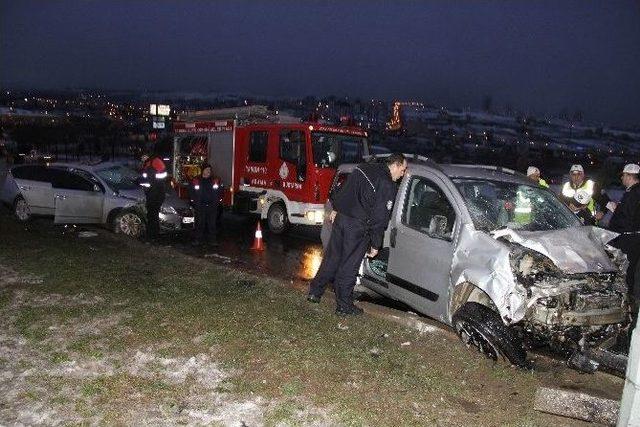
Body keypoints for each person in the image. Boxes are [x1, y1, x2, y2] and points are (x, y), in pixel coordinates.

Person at [307, 153, 408, 316]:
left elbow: (344, 189)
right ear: (395, 165)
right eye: (403, 170)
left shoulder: (363, 168)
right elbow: (380, 217)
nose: (403, 174)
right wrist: (376, 244)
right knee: (349, 266)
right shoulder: (387, 184)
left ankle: (314, 292)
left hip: (342, 220)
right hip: (358, 228)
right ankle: (344, 306)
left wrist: (336, 207)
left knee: (332, 258)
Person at [608, 163, 640, 318]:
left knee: (625, 270)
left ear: (629, 176)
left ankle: (625, 303)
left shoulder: (633, 194)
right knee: (630, 270)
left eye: (623, 175)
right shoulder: (634, 192)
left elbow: (627, 218)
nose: (622, 178)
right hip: (634, 237)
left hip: (628, 238)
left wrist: (616, 211)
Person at [189, 163, 223, 246]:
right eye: (207, 170)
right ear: (202, 171)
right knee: (200, 223)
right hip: (200, 206)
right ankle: (197, 240)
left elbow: (220, 191)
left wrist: (217, 201)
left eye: (209, 170)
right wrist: (194, 202)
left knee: (212, 224)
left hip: (212, 206)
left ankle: (213, 241)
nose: (209, 171)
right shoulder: (196, 180)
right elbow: (191, 191)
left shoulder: (215, 180)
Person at [139, 151, 167, 240]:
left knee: (153, 214)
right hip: (151, 192)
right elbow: (145, 178)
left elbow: (163, 175)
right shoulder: (146, 163)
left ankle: (152, 235)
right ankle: (153, 235)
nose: (142, 158)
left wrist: (151, 183)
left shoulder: (156, 161)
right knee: (151, 215)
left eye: (143, 156)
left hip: (157, 192)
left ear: (147, 155)